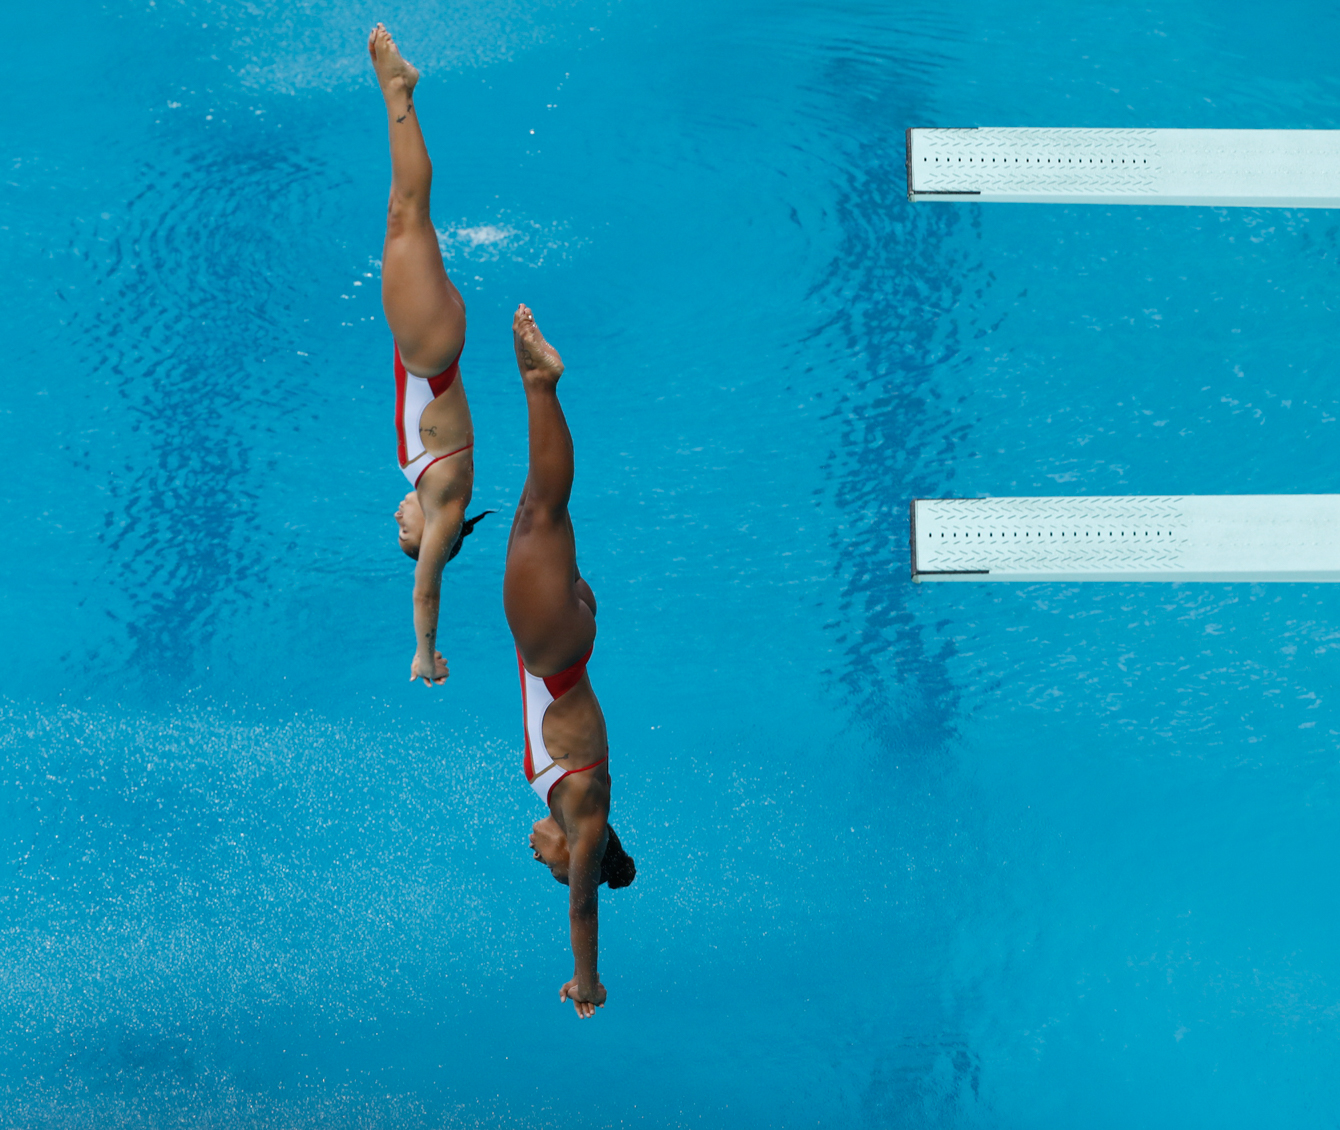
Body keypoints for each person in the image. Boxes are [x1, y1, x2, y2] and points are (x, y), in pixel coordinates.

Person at [504, 305, 637, 1018]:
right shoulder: (585, 819)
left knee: (533, 507)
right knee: (543, 513)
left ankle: (539, 390)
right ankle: (542, 384)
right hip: (554, 649)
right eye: (553, 871)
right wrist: (586, 983)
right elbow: (584, 913)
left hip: (554, 647)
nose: (541, 861)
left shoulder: (576, 809)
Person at [370, 23, 490, 686]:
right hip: (429, 348)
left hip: (427, 344)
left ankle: (399, 94)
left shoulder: (433, 492)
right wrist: (424, 651)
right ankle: (398, 91)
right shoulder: (443, 511)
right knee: (407, 210)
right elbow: (425, 592)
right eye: (403, 536)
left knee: (404, 212)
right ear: (431, 545)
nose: (397, 519)